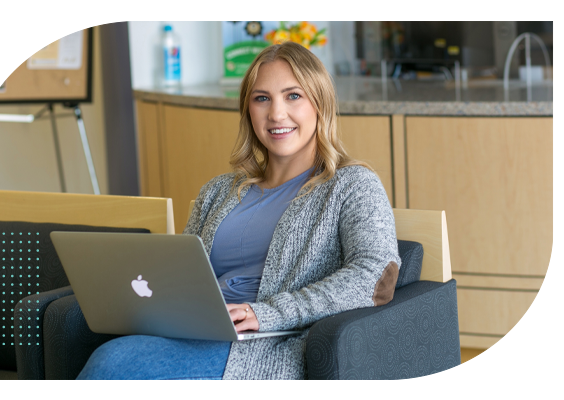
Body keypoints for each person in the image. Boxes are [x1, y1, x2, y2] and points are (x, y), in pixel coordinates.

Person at [77, 41, 401, 380]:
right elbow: (182, 276)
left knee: (113, 364)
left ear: (320, 104)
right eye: (262, 98)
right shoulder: (218, 190)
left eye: (293, 96)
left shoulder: (351, 185)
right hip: (195, 332)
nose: (276, 114)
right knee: (110, 354)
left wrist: (270, 313)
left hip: (263, 346)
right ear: (248, 110)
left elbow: (376, 276)